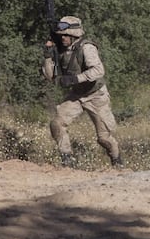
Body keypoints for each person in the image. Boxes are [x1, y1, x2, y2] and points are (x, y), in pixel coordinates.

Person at [42, 16, 122, 168]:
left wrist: (75, 79)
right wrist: (47, 55)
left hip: (96, 95)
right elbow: (50, 76)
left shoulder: (86, 47)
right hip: (77, 96)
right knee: (57, 124)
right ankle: (67, 159)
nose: (62, 38)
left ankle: (117, 161)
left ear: (74, 35)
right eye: (61, 35)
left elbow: (99, 71)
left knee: (103, 138)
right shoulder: (61, 50)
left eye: (66, 35)